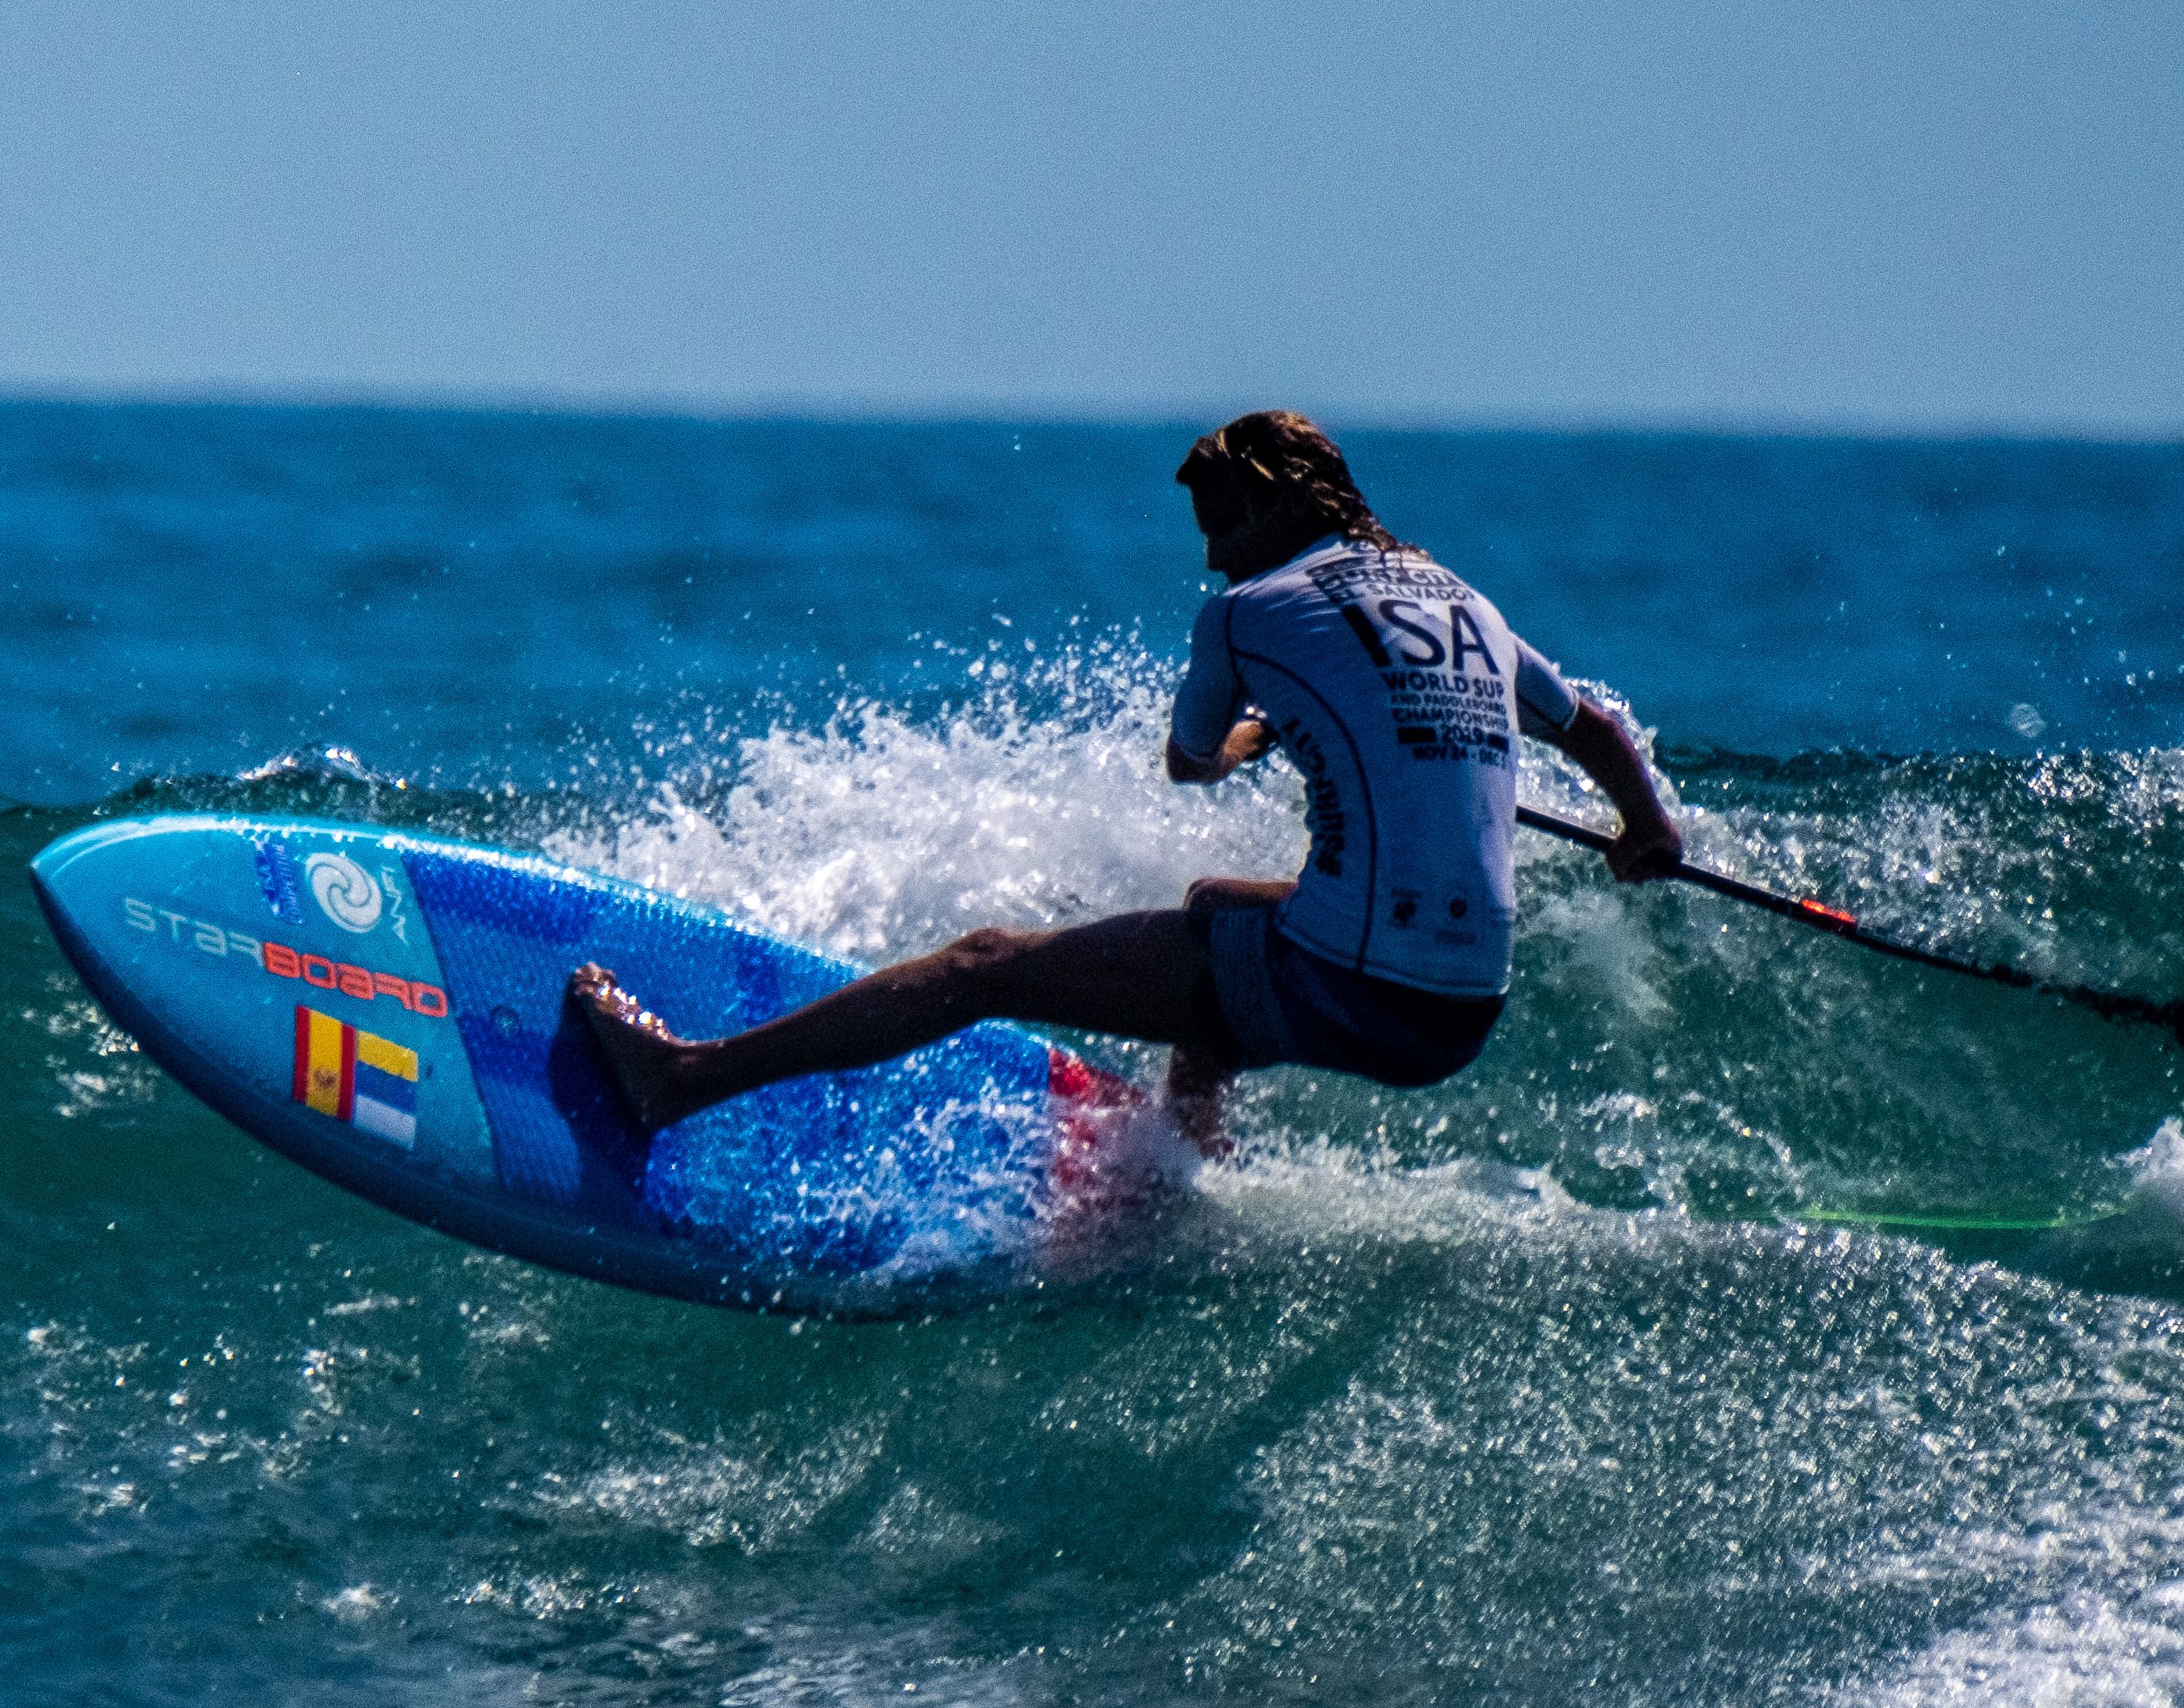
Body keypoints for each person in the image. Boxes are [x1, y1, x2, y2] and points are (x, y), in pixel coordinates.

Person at [570, 410, 1687, 1152]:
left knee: (984, 966)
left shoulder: (1251, 614)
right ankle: (1186, 1166)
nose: (1212, 555)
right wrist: (1644, 829)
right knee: (1214, 909)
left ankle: (682, 1079)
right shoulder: (1465, 604)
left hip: (1354, 988)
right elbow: (1589, 731)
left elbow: (1190, 762)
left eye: (1222, 524)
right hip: (1460, 1010)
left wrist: (1256, 734)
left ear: (1283, 506)